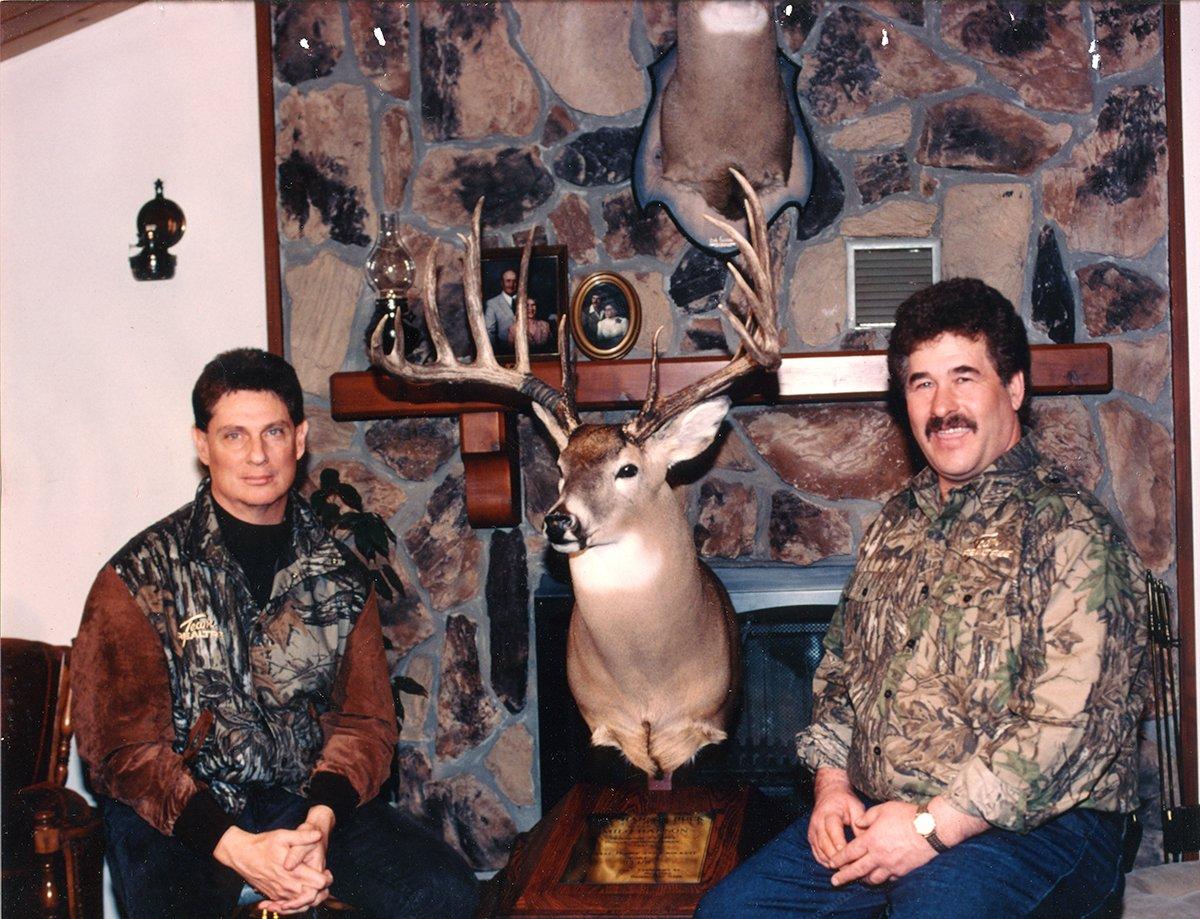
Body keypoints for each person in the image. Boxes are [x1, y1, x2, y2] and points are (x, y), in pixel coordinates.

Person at [697, 278, 1148, 918]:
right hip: (886, 814)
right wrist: (830, 790)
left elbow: (1072, 728)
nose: (943, 406)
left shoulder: (1075, 533)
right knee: (731, 913)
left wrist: (932, 828)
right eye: (921, 383)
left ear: (1013, 388)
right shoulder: (896, 523)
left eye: (965, 377)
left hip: (1045, 828)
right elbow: (843, 674)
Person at [72, 348, 478, 918]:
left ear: (301, 438)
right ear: (201, 444)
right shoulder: (136, 578)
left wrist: (320, 821)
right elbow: (122, 750)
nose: (258, 455)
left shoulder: (340, 575)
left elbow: (365, 722)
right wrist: (236, 848)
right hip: (181, 818)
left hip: (305, 803)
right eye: (234, 435)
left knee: (446, 895)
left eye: (274, 432)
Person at [484, 268, 519, 348]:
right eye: (508, 281)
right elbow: (489, 331)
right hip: (505, 350)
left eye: (514, 281)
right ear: (502, 283)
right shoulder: (492, 303)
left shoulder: (526, 301)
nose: (511, 284)